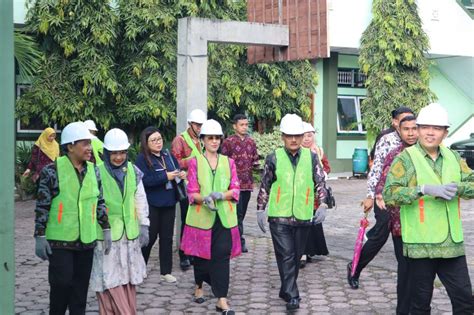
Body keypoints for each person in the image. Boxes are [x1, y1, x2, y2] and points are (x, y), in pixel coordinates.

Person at [383, 103, 474, 314]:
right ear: (418, 129)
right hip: (420, 246)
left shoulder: (453, 157)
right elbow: (389, 194)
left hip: (451, 244)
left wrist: (460, 187)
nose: (430, 132)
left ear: (445, 132)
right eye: (425, 127)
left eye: (437, 128)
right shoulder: (405, 159)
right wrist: (422, 189)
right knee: (419, 305)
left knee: (465, 302)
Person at [33, 121, 111, 315]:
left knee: (80, 293)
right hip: (60, 242)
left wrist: (106, 228)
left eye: (89, 143)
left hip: (86, 241)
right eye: (84, 143)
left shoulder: (94, 171)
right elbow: (42, 205)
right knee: (61, 286)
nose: (89, 148)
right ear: (70, 146)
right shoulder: (52, 171)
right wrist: (39, 235)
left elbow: (99, 202)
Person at [256, 114, 328, 311]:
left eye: (297, 135)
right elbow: (265, 185)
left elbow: (320, 182)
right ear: (283, 137)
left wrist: (322, 204)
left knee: (294, 257)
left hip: (303, 215)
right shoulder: (274, 157)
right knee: (287, 254)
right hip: (279, 217)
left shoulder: (311, 157)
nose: (294, 139)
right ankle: (293, 296)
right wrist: (260, 210)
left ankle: (285, 289)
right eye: (289, 136)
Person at [347, 106, 414, 289]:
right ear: (395, 123)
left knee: (403, 243)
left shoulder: (416, 142)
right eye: (403, 122)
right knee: (380, 234)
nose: (410, 130)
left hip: (406, 201)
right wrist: (370, 195)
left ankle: (409, 287)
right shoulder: (387, 140)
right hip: (382, 197)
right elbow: (377, 168)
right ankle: (355, 267)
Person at [180, 119, 241, 315]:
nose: (214, 141)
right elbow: (191, 192)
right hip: (201, 219)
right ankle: (199, 284)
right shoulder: (196, 163)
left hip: (224, 218)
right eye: (210, 138)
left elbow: (236, 189)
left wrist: (222, 195)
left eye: (217, 138)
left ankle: (221, 299)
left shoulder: (228, 162)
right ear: (203, 140)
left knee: (222, 256)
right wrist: (204, 198)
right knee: (201, 258)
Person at [89, 128, 150, 314]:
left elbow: (140, 198)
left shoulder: (133, 171)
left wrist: (144, 224)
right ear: (106, 153)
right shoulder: (96, 173)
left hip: (129, 234)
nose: (118, 157)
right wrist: (100, 228)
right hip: (106, 235)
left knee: (127, 278)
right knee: (109, 279)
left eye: (122, 152)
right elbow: (93, 203)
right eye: (114, 153)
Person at [374, 115, 418, 315]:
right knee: (405, 269)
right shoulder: (395, 155)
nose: (410, 133)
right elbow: (383, 181)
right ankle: (403, 310)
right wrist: (378, 195)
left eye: (414, 128)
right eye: (406, 129)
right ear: (398, 131)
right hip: (400, 224)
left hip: (425, 224)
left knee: (422, 272)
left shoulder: (426, 155)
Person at [135, 127, 186, 283]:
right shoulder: (142, 159)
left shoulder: (167, 155)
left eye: (159, 139)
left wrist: (180, 175)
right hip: (152, 203)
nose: (158, 143)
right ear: (146, 142)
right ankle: (140, 267)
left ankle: (166, 271)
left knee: (167, 238)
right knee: (149, 238)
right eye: (154, 140)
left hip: (169, 202)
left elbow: (175, 171)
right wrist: (165, 176)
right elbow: (144, 181)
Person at [171, 108, 207, 271]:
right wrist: (194, 160)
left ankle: (193, 252)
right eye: (197, 125)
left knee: (198, 219)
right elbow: (175, 162)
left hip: (201, 184)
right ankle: (183, 255)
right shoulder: (180, 140)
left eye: (201, 125)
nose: (199, 128)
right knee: (186, 220)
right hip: (186, 186)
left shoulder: (203, 140)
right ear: (190, 124)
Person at [221, 114, 259, 253]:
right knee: (236, 213)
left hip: (247, 184)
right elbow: (223, 163)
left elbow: (255, 161)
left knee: (241, 214)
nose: (244, 127)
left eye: (246, 124)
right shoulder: (228, 142)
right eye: (241, 125)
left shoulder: (251, 142)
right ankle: (238, 242)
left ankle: (236, 240)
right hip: (233, 185)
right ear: (234, 126)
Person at [300, 122, 330, 268]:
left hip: (316, 195)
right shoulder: (296, 152)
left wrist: (323, 172)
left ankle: (310, 251)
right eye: (304, 136)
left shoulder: (318, 150)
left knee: (313, 223)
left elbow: (327, 166)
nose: (307, 139)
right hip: (301, 194)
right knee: (302, 223)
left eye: (309, 135)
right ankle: (302, 253)